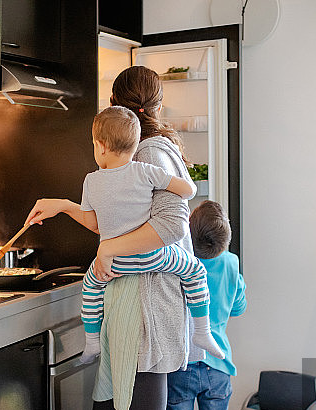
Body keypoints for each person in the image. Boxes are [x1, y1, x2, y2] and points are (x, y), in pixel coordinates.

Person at [26, 65, 194, 410]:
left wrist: (111, 249)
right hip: (124, 308)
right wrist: (62, 206)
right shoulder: (128, 158)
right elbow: (108, 220)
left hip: (149, 308)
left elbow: (173, 226)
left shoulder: (152, 153)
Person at [77, 105, 224, 362]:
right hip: (154, 256)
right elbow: (187, 190)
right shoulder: (145, 171)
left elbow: (92, 223)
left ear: (100, 146)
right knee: (195, 271)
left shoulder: (90, 181)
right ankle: (202, 331)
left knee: (90, 287)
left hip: (116, 264)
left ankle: (91, 343)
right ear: (135, 147)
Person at [165, 200, 246, 410]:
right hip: (218, 367)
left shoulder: (179, 262)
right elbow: (238, 306)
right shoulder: (230, 262)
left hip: (182, 364)